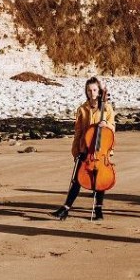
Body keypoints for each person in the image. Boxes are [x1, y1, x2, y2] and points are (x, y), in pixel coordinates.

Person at [50, 77, 116, 221]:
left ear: (99, 91)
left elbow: (112, 128)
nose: (92, 93)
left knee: (100, 179)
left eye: (94, 90)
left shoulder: (107, 108)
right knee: (76, 180)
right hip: (85, 150)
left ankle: (98, 210)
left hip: (102, 150)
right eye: (89, 90)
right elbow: (78, 132)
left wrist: (105, 124)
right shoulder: (82, 109)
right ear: (86, 91)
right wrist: (75, 150)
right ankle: (65, 209)